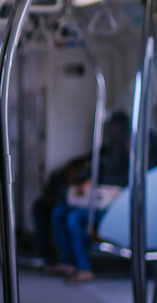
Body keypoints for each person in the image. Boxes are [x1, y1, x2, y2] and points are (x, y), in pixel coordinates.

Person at [43, 111, 130, 285]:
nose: (112, 132)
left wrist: (95, 182)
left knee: (74, 218)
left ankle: (84, 268)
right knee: (58, 212)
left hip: (115, 205)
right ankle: (67, 261)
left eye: (116, 128)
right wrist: (84, 178)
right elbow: (93, 162)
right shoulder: (108, 148)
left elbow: (127, 180)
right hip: (98, 198)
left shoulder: (129, 151)